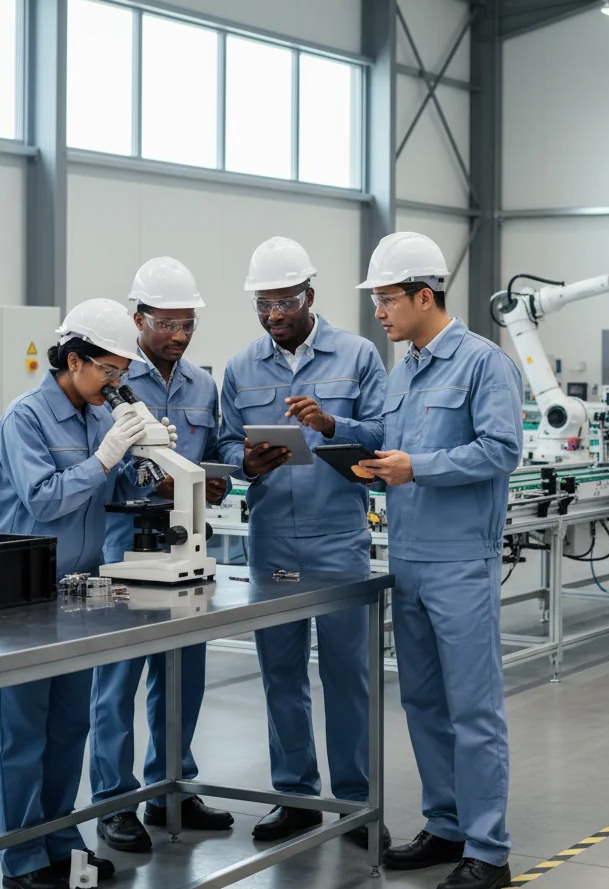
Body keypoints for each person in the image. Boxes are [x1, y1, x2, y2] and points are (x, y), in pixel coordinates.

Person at [357, 232, 523, 889]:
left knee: (473, 708)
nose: (380, 312)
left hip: (460, 563)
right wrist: (353, 446)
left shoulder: (485, 364)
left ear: (424, 295)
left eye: (387, 299)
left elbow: (500, 451)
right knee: (423, 702)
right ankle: (446, 823)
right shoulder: (404, 370)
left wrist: (416, 467)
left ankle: (489, 850)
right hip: (410, 560)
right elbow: (397, 448)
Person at [218, 236, 389, 847]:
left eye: (284, 302)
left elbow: (385, 436)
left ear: (310, 296)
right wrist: (246, 463)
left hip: (338, 536)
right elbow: (221, 450)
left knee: (348, 674)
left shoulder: (359, 355)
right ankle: (293, 796)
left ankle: (354, 802)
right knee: (280, 673)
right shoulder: (240, 368)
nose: (273, 315)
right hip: (270, 541)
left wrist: (330, 423)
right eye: (263, 305)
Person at [0, 300, 155, 889]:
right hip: (22, 595)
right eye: (109, 370)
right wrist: (105, 455)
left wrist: (147, 455)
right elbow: (44, 499)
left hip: (77, 590)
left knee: (68, 727)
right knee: (21, 733)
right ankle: (22, 859)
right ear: (74, 359)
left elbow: (113, 491)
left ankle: (60, 841)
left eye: (123, 374)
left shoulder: (95, 417)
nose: (117, 384)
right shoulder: (26, 418)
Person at [90, 258, 233, 852]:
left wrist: (226, 472)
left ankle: (171, 786)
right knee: (118, 678)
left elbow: (218, 443)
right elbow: (101, 462)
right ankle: (113, 800)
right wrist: (152, 483)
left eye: (189, 324)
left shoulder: (202, 383)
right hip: (124, 548)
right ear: (138, 319)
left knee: (182, 676)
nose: (180, 335)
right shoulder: (115, 381)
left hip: (185, 549)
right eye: (168, 324)